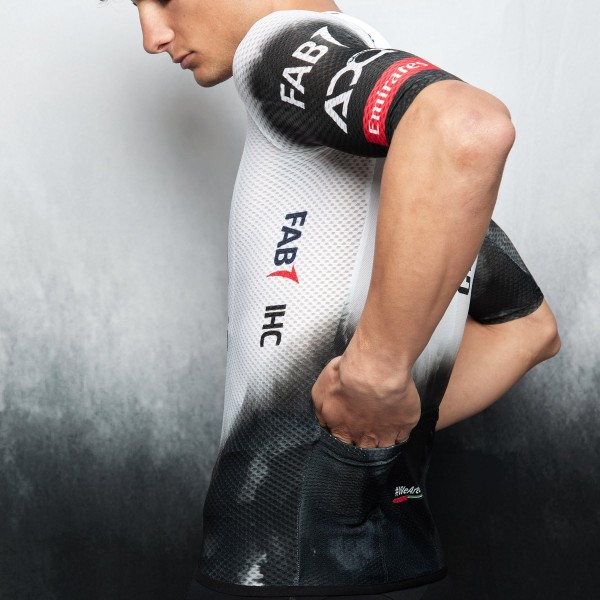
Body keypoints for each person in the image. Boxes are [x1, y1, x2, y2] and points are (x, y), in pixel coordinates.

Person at [120, 1, 561, 598]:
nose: (152, 35)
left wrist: (376, 377)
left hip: (281, 568)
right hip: (401, 561)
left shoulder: (274, 47)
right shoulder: (399, 170)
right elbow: (527, 330)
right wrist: (352, 435)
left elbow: (467, 124)